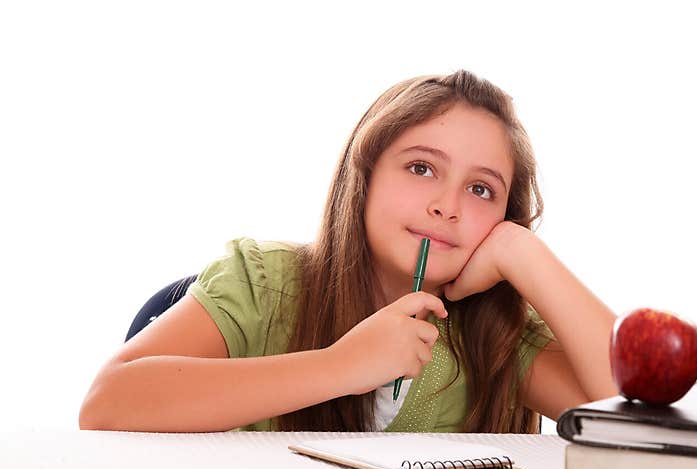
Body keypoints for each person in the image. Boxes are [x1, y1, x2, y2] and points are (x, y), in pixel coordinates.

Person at [79, 69, 618, 434]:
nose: (447, 206)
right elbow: (106, 404)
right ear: (363, 180)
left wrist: (521, 252)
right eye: (421, 168)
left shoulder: (498, 335)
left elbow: (635, 427)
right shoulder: (265, 283)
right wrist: (343, 365)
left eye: (482, 190)